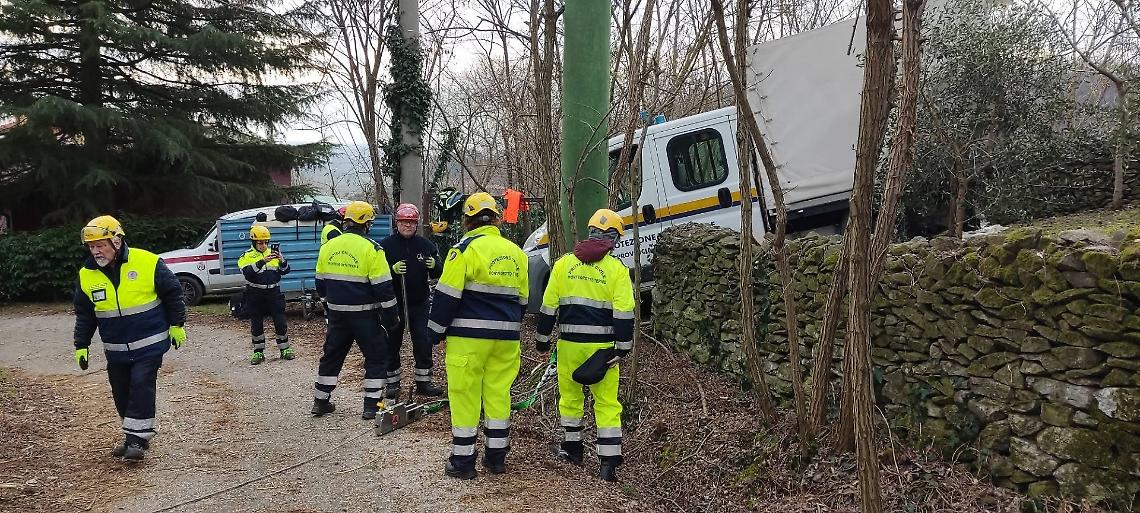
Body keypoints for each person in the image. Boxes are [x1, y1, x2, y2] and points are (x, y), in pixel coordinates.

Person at [427, 192, 528, 480]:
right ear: (496, 217)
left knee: (465, 395)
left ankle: (463, 462)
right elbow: (523, 301)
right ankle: (496, 459)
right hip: (506, 339)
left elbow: (446, 296)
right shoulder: (516, 253)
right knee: (498, 395)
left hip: (469, 340)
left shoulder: (464, 249)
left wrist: (434, 332)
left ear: (467, 220)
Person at [72, 215, 187, 461]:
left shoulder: (147, 262)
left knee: (141, 383)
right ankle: (133, 435)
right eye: (92, 247)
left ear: (117, 240)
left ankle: (136, 440)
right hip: (115, 349)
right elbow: (85, 314)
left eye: (100, 245)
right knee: (121, 390)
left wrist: (177, 325)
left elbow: (173, 293)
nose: (96, 251)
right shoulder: (86, 275)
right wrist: (81, 345)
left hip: (150, 342)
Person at [535, 208, 634, 483]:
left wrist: (542, 341)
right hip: (602, 351)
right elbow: (624, 313)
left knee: (570, 399)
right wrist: (622, 349)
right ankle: (608, 464)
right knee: (606, 404)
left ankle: (572, 450)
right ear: (614, 238)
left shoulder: (563, 264)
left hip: (569, 347)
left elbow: (547, 307)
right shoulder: (617, 270)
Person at [311, 201, 400, 420]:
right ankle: (372, 406)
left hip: (337, 316)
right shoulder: (372, 249)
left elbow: (320, 284)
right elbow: (384, 289)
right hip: (365, 316)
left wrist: (328, 307)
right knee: (377, 357)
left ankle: (320, 401)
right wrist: (392, 317)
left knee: (332, 356)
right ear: (367, 224)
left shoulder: (327, 247)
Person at [379, 203, 444, 398]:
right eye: (404, 222)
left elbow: (440, 271)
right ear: (397, 223)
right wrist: (391, 269)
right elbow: (376, 273)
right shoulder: (386, 246)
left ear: (416, 225)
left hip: (419, 302)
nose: (408, 226)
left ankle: (424, 381)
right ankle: (392, 383)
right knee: (392, 341)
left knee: (423, 341)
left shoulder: (425, 245)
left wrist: (435, 266)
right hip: (394, 303)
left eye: (411, 222)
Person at [237, 225, 293, 365]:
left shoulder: (273, 254)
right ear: (253, 242)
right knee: (256, 324)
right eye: (260, 242)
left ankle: (285, 349)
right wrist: (263, 261)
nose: (264, 245)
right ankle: (258, 352)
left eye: (266, 242)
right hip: (255, 293)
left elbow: (285, 271)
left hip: (273, 292)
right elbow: (247, 273)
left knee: (280, 322)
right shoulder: (246, 256)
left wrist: (282, 260)